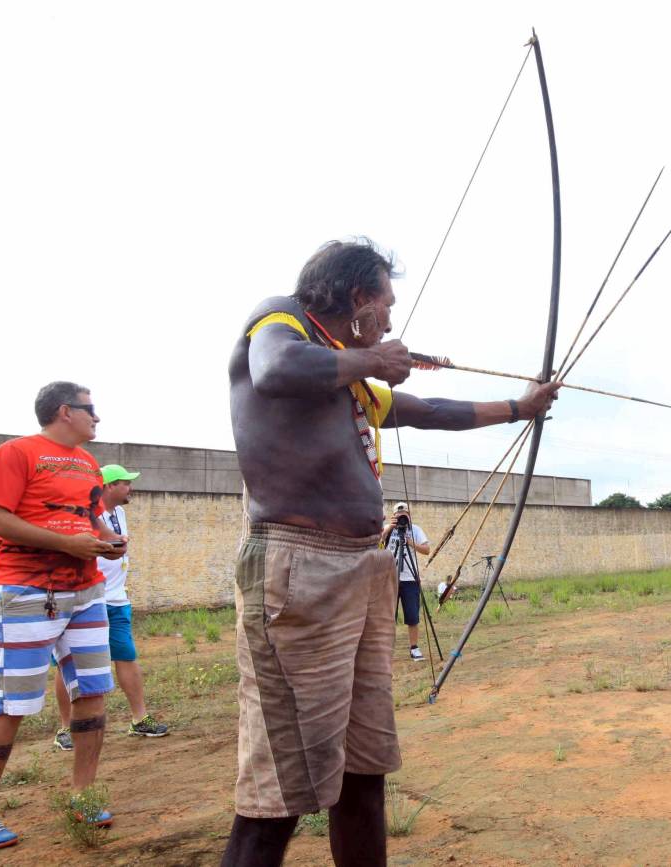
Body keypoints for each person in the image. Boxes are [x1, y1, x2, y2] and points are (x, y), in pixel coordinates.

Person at [221, 238, 561, 867]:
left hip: (361, 570)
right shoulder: (281, 320)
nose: (391, 318)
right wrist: (371, 358)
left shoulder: (347, 377)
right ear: (356, 299)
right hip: (299, 570)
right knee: (280, 793)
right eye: (385, 305)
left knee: (362, 771)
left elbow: (429, 410)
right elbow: (274, 369)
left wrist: (520, 407)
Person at [0, 381, 124, 850]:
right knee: (12, 706)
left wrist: (104, 543)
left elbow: (88, 520)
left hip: (86, 593)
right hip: (26, 592)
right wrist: (67, 544)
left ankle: (84, 797)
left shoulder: (89, 462)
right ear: (65, 411)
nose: (98, 418)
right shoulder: (17, 453)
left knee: (93, 694)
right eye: (91, 409)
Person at [53, 464, 168, 751]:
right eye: (125, 483)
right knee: (69, 663)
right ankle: (65, 728)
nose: (130, 487)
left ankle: (139, 719)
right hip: (88, 599)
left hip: (117, 600)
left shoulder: (120, 513)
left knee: (126, 656)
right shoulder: (85, 515)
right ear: (107, 486)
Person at [380, 502, 430, 662]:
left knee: (412, 616)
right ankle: (386, 650)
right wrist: (389, 528)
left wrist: (409, 542)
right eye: (399, 514)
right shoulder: (388, 529)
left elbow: (427, 550)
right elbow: (376, 545)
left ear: (409, 514)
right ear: (394, 516)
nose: (403, 517)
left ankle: (414, 648)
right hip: (390, 578)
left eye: (405, 514)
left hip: (410, 579)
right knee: (387, 616)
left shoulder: (416, 530)